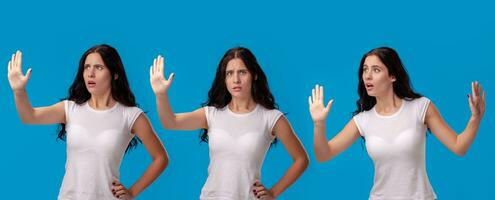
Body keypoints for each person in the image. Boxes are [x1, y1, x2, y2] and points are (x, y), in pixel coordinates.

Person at [309, 47, 486, 200]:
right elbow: (323, 154)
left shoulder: (420, 107)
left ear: (392, 76)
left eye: (376, 70)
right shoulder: (363, 120)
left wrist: (475, 118)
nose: (367, 76)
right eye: (365, 70)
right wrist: (319, 124)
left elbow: (458, 146)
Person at [7, 44, 169, 200]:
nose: (90, 73)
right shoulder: (70, 109)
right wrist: (19, 91)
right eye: (87, 67)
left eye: (99, 67)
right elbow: (29, 116)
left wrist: (132, 192)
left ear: (115, 74)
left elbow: (161, 158)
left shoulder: (130, 115)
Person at [149, 47, 309, 199]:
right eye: (229, 73)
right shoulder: (211, 114)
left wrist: (273, 193)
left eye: (242, 72)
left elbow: (301, 159)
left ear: (254, 75)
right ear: (224, 79)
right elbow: (170, 122)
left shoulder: (271, 118)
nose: (236, 79)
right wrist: (161, 95)